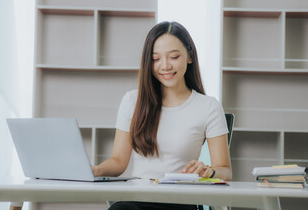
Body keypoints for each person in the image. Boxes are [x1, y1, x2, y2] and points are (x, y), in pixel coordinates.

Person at [92, 21, 232, 210]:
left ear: (189, 56)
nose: (164, 66)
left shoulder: (208, 107)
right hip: (137, 200)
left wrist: (210, 171)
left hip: (181, 202)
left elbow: (225, 170)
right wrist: (94, 170)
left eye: (173, 56)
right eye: (155, 59)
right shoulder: (132, 101)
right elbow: (118, 162)